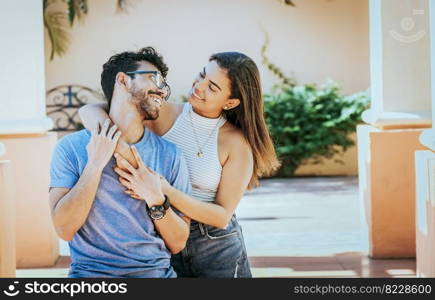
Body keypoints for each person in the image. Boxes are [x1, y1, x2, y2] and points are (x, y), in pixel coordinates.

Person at [79, 51, 280, 278]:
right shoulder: (163, 113)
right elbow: (89, 110)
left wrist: (163, 190)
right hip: (164, 233)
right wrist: (116, 144)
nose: (199, 86)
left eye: (213, 87)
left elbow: (221, 215)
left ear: (231, 102)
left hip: (214, 245)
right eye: (202, 74)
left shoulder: (236, 143)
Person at [49, 47, 192, 278]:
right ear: (123, 80)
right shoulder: (71, 148)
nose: (162, 90)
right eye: (154, 78)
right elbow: (64, 230)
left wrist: (155, 199)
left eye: (164, 84)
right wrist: (94, 165)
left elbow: (178, 243)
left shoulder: (171, 154)